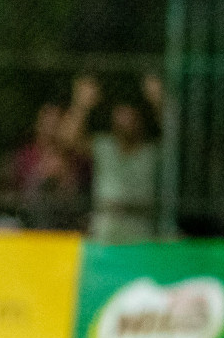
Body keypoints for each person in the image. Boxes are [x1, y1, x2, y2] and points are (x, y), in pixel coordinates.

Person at [58, 74, 164, 243]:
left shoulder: (152, 152)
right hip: (104, 234)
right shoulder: (103, 146)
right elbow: (67, 141)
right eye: (122, 113)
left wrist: (159, 102)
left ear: (141, 119)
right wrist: (81, 105)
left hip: (143, 237)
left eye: (131, 115)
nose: (127, 119)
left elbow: (180, 140)